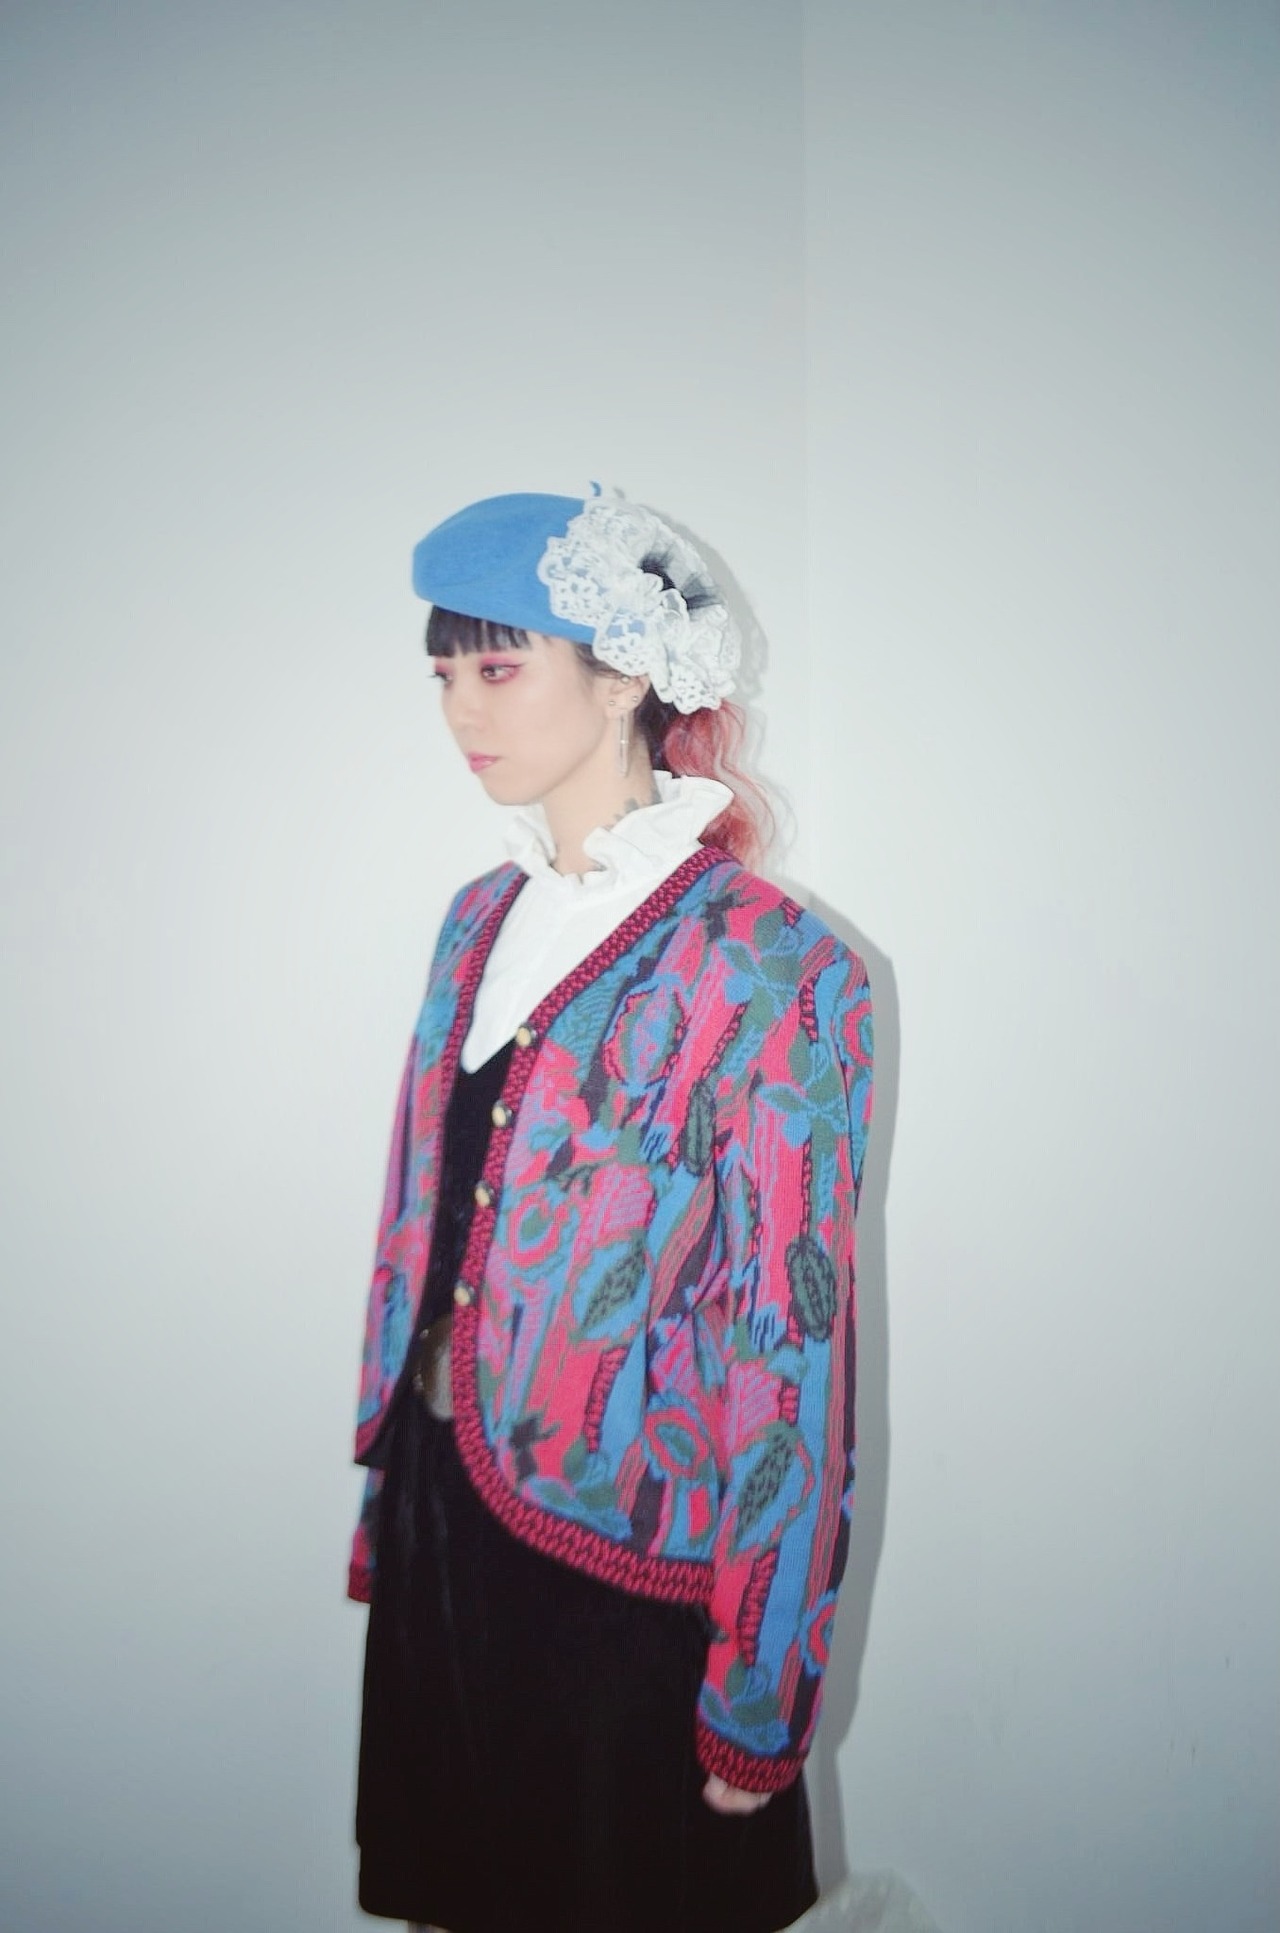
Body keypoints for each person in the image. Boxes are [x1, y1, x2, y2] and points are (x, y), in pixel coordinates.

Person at [348, 487, 874, 1933]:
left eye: (498, 665)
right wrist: (390, 1505)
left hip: (622, 1571)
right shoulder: (476, 920)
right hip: (448, 1508)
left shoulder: (772, 967)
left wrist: (761, 1693)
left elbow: (792, 1353)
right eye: (443, 673)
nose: (460, 709)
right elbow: (421, 1224)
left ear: (626, 674)